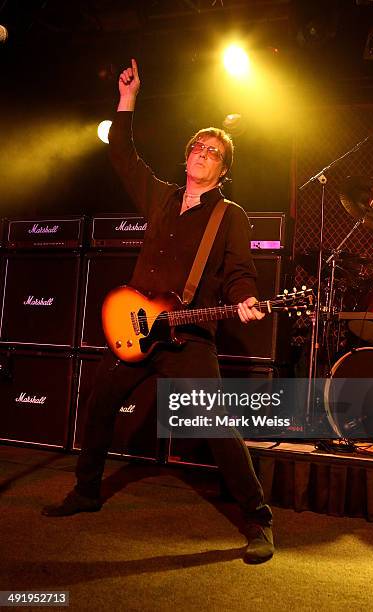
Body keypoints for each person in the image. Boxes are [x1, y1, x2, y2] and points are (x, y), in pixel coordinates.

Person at [42, 59, 274, 564]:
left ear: (223, 168)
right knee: (100, 401)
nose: (201, 153)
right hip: (134, 327)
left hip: (186, 336)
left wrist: (246, 299)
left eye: (212, 151)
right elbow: (122, 153)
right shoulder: (162, 198)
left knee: (215, 424)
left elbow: (239, 272)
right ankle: (86, 492)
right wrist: (128, 99)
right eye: (196, 145)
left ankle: (257, 518)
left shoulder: (228, 216)